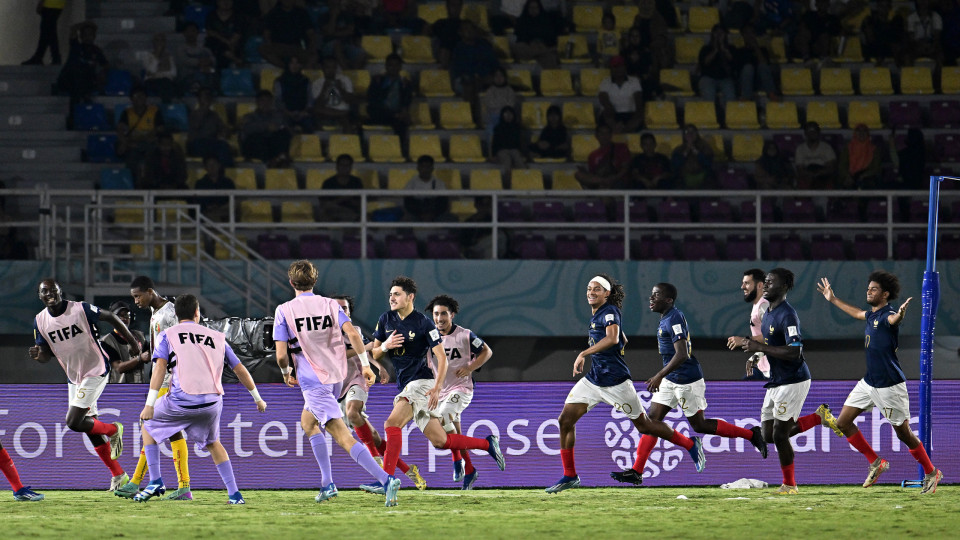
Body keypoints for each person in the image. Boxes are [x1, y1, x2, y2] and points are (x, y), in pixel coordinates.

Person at [548, 275, 705, 493]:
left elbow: (612, 339)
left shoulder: (610, 311)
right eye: (589, 288)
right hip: (594, 380)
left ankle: (690, 444)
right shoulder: (598, 314)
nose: (591, 292)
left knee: (645, 425)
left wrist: (584, 352)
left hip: (616, 383)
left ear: (607, 293)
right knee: (565, 420)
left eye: (597, 289)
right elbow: (620, 338)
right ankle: (569, 476)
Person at [274, 261, 404, 506]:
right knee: (308, 423)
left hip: (314, 381)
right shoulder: (330, 304)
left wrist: (285, 372)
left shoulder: (284, 310)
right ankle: (327, 483)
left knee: (343, 438)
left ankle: (385, 480)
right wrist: (365, 364)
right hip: (336, 377)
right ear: (315, 281)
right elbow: (353, 335)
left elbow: (281, 355)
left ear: (291, 283)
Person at [611, 282, 767, 486]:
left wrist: (659, 375)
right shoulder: (666, 317)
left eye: (656, 295)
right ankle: (637, 471)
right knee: (651, 421)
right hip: (671, 379)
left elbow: (683, 354)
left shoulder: (674, 317)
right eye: (651, 294)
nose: (651, 298)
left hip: (687, 380)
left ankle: (751, 434)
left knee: (700, 425)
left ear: (668, 300)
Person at [366, 276, 505, 504]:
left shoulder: (423, 323)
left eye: (397, 294)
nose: (391, 297)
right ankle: (487, 444)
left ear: (410, 297)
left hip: (421, 383)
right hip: (406, 384)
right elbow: (376, 353)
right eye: (390, 294)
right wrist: (385, 346)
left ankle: (387, 478)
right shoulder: (386, 319)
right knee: (441, 441)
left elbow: (441, 357)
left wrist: (437, 388)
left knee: (392, 424)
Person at [132, 294, 266, 504]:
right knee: (214, 444)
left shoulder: (167, 335)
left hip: (181, 400)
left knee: (147, 423)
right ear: (197, 313)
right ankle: (234, 494)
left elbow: (159, 369)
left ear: (175, 315)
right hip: (212, 404)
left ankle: (156, 480)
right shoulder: (217, 337)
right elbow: (240, 369)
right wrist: (257, 398)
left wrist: (149, 405)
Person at [816, 272, 942, 494]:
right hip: (869, 382)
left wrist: (900, 315)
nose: (869, 291)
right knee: (843, 423)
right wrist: (832, 299)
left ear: (885, 294)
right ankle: (876, 462)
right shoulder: (871, 316)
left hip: (890, 387)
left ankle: (932, 472)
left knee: (903, 433)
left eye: (874, 289)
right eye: (868, 288)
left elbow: (894, 320)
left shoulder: (887, 315)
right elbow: (856, 312)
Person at [729, 268, 832, 494]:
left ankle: (790, 484)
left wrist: (759, 347)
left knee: (779, 434)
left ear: (784, 287)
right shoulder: (768, 314)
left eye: (771, 282)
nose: (765, 285)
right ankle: (818, 417)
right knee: (767, 434)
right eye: (765, 282)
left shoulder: (788, 315)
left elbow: (795, 352)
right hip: (777, 380)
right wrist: (757, 355)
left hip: (794, 380)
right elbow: (768, 342)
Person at [29, 279, 134, 491]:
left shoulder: (80, 309)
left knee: (73, 421)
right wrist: (38, 356)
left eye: (53, 290)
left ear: (60, 292)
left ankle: (114, 430)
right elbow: (46, 355)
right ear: (40, 296)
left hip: (96, 369)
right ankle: (119, 475)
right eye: (45, 292)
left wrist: (132, 342)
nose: (49, 294)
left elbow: (112, 317)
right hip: (74, 377)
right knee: (89, 428)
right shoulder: (39, 321)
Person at [331, 294, 427, 490]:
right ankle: (409, 470)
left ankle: (374, 457)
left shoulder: (354, 331)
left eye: (346, 308)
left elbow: (366, 352)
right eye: (339, 308)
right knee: (374, 436)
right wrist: (364, 347)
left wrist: (379, 366)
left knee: (352, 411)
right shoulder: (325, 335)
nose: (343, 312)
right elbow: (341, 354)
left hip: (357, 378)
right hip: (336, 386)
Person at [115, 276, 192, 500]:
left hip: (170, 380)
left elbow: (183, 344)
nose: (136, 301)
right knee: (173, 432)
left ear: (150, 291)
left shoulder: (170, 313)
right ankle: (184, 487)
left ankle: (139, 481)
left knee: (148, 426)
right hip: (167, 378)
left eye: (138, 296)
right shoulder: (157, 313)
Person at [425, 295, 493, 489]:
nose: (439, 318)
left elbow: (487, 351)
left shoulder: (465, 335)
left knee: (442, 417)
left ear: (452, 315)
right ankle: (470, 469)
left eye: (443, 314)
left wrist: (470, 368)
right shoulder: (429, 337)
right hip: (440, 392)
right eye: (436, 314)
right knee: (454, 432)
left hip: (461, 389)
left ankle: (457, 461)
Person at [726, 269, 770, 380]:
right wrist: (755, 358)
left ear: (760, 285)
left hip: (772, 372)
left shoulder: (763, 306)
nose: (742, 287)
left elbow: (772, 337)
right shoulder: (758, 304)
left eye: (747, 283)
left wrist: (744, 340)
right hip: (762, 369)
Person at [116, 87, 165, 179]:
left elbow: (160, 128)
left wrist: (147, 136)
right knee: (131, 157)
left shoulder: (154, 111)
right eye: (136, 96)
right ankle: (132, 183)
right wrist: (123, 142)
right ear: (131, 99)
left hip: (149, 142)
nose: (139, 98)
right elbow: (120, 128)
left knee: (152, 154)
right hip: (133, 143)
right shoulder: (127, 112)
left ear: (146, 98)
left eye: (142, 96)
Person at [57, 21, 108, 104]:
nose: (88, 37)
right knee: (76, 74)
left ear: (94, 36)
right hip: (70, 80)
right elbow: (73, 29)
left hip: (86, 82)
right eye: (85, 34)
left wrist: (103, 71)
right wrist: (86, 23)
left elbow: (105, 64)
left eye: (90, 34)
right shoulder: (76, 46)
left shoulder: (96, 50)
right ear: (81, 36)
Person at [366, 54, 414, 139]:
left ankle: (401, 149)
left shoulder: (405, 83)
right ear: (386, 66)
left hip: (396, 115)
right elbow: (371, 99)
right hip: (379, 113)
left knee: (401, 124)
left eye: (396, 65)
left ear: (400, 67)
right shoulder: (377, 80)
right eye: (390, 65)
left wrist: (404, 111)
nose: (393, 68)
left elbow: (407, 101)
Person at [259, 0, 319, 68]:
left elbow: (310, 32)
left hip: (296, 47)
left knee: (314, 56)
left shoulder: (302, 13)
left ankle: (301, 72)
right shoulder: (273, 13)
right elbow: (267, 32)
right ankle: (285, 68)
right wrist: (268, 43)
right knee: (263, 49)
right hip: (278, 46)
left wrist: (312, 45)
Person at [240, 90, 292, 167]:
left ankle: (279, 158)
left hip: (273, 145)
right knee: (256, 138)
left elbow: (285, 128)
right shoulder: (249, 117)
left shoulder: (279, 116)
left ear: (272, 102)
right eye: (262, 100)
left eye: (268, 101)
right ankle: (274, 160)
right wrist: (266, 126)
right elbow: (248, 129)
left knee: (283, 134)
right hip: (257, 147)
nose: (265, 104)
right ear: (257, 102)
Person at [100, 301, 148, 384]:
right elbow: (118, 367)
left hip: (140, 387)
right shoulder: (106, 341)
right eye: (119, 316)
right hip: (119, 390)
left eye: (126, 315)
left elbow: (150, 354)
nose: (123, 318)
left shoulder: (140, 336)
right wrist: (140, 358)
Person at [186, 87, 233, 167]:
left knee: (224, 146)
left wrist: (225, 131)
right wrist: (205, 108)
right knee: (222, 147)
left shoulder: (214, 115)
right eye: (204, 96)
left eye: (208, 96)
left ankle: (225, 171)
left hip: (211, 143)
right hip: (196, 143)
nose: (207, 98)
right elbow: (196, 125)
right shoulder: (194, 113)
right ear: (199, 99)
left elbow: (223, 128)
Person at [575, 124, 631, 189]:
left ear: (611, 135)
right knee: (578, 174)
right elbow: (593, 175)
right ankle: (603, 182)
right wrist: (585, 172)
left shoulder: (621, 147)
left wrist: (614, 178)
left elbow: (626, 168)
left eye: (607, 133)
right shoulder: (593, 155)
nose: (605, 136)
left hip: (618, 181)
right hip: (600, 181)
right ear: (596, 136)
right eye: (601, 133)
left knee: (603, 188)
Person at [598, 56, 643, 133]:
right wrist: (610, 112)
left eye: (620, 66)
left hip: (629, 113)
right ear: (611, 69)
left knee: (639, 115)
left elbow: (638, 100)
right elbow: (603, 99)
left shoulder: (634, 81)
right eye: (615, 67)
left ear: (625, 67)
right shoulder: (605, 81)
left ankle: (622, 130)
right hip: (612, 114)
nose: (618, 69)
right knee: (606, 112)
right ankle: (619, 129)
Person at [311, 56, 356, 133]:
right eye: (328, 68)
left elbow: (350, 100)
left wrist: (340, 89)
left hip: (343, 110)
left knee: (348, 117)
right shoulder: (317, 83)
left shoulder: (345, 79)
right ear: (322, 68)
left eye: (333, 68)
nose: (331, 70)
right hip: (326, 113)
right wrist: (324, 88)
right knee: (316, 110)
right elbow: (318, 105)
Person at [511, 0, 562, 68]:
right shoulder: (522, 20)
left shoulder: (546, 20)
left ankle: (541, 51)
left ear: (539, 8)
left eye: (536, 8)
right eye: (531, 8)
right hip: (528, 47)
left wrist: (539, 43)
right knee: (518, 47)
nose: (533, 10)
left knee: (550, 58)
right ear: (527, 8)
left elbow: (550, 38)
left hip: (542, 45)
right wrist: (531, 44)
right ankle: (544, 51)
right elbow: (520, 39)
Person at [274, 56, 315, 134]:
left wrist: (304, 111)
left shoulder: (306, 80)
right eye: (292, 63)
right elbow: (278, 100)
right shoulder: (280, 81)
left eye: (297, 63)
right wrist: (288, 112)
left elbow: (310, 99)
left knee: (309, 124)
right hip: (285, 114)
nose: (295, 66)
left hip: (303, 113)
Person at [403, 155, 452, 222]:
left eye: (428, 167)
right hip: (417, 212)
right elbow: (408, 202)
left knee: (451, 219)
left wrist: (432, 214)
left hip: (435, 212)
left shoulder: (439, 183)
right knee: (405, 220)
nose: (425, 170)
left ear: (432, 168)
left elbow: (443, 202)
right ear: (418, 168)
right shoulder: (411, 183)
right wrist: (420, 214)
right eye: (423, 167)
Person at [697, 25, 736, 108]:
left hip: (725, 78)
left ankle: (730, 118)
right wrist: (715, 50)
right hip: (708, 77)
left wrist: (724, 50)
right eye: (716, 32)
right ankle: (710, 118)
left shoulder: (731, 48)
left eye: (721, 33)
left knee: (730, 96)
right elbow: (705, 63)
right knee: (709, 96)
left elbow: (733, 61)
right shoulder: (705, 48)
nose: (719, 35)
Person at [176, 23, 217, 96]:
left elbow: (213, 61)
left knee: (212, 73)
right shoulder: (181, 49)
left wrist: (208, 67)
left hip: (206, 74)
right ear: (184, 33)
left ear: (197, 33)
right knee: (201, 75)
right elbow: (185, 61)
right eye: (188, 31)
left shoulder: (205, 50)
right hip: (187, 78)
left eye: (193, 31)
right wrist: (201, 63)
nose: (191, 34)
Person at [205, 0, 247, 70]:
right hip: (217, 44)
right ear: (217, 2)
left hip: (234, 45)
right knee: (213, 42)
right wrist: (226, 42)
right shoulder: (211, 15)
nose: (226, 2)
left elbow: (238, 34)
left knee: (222, 54)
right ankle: (236, 59)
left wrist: (230, 44)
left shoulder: (238, 16)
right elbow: (211, 32)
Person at [794, 121, 837, 190]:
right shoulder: (800, 149)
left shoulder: (827, 147)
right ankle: (804, 200)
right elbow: (800, 169)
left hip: (823, 175)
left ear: (818, 132)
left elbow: (831, 168)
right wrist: (810, 175)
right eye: (809, 131)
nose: (812, 133)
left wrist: (818, 174)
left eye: (814, 131)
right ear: (805, 133)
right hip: (807, 175)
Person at [321, 154, 364, 222]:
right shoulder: (328, 182)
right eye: (342, 165)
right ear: (337, 166)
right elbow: (324, 204)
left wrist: (349, 199)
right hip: (333, 213)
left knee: (350, 218)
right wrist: (341, 199)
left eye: (347, 165)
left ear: (351, 167)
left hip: (353, 211)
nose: (344, 168)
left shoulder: (356, 182)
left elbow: (361, 203)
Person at [671, 124, 715, 189]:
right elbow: (675, 165)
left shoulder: (705, 148)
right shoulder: (678, 150)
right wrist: (686, 152)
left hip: (702, 177)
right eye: (687, 132)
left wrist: (696, 151)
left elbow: (708, 163)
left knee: (711, 178)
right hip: (684, 178)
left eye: (692, 132)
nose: (690, 134)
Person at [839, 124, 882, 189]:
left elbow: (876, 168)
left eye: (864, 131)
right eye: (858, 131)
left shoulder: (874, 149)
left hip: (867, 177)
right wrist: (847, 176)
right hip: (849, 177)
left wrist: (863, 176)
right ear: (855, 133)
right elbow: (842, 166)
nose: (861, 133)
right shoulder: (848, 148)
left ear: (868, 134)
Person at [22, 0, 65, 66]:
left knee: (48, 31)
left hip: (50, 4)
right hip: (58, 4)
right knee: (48, 31)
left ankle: (53, 57)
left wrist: (41, 2)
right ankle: (41, 57)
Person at [193, 155, 236, 220]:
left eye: (214, 164)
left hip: (224, 212)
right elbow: (198, 201)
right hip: (206, 213)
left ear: (219, 165)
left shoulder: (228, 182)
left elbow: (233, 199)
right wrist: (209, 207)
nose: (212, 167)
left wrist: (220, 207)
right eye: (209, 165)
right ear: (205, 167)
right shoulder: (200, 183)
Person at [141, 33, 178, 103]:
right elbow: (151, 71)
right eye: (157, 40)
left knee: (167, 83)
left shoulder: (169, 56)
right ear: (153, 42)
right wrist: (157, 55)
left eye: (162, 40)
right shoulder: (147, 55)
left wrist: (159, 73)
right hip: (151, 82)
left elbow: (173, 73)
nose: (160, 43)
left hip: (166, 81)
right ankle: (166, 105)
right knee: (164, 84)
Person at [490, 106, 526, 178]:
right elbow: (495, 142)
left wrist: (522, 152)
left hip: (514, 150)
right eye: (506, 114)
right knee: (507, 160)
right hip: (502, 150)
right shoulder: (498, 128)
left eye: (510, 114)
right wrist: (493, 155)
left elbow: (520, 142)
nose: (508, 116)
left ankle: (523, 179)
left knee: (519, 160)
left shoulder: (517, 127)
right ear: (502, 115)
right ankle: (509, 180)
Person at [430, 0, 464, 68]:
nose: (456, 8)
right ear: (447, 7)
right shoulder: (440, 23)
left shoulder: (466, 24)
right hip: (444, 52)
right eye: (453, 5)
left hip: (461, 52)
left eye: (459, 5)